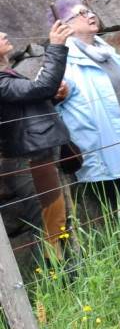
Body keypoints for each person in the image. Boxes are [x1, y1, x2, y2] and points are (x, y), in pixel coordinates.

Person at [52, 0, 120, 226]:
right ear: (64, 26)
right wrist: (56, 94)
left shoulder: (111, 55)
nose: (90, 15)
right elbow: (47, 97)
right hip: (107, 157)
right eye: (81, 13)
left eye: (89, 10)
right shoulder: (63, 64)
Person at [0, 21, 74, 260]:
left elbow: (25, 111)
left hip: (38, 159)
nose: (3, 33)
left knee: (61, 223)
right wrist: (56, 47)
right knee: (50, 229)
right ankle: (60, 287)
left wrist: (53, 98)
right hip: (29, 163)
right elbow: (40, 87)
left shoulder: (7, 76)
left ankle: (74, 281)